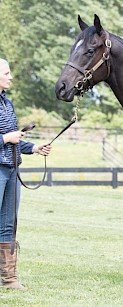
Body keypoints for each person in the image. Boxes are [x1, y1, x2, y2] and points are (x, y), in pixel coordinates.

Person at [0, 58, 52, 290]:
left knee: (8, 224)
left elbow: (13, 141)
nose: (11, 77)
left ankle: (9, 279)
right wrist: (4, 138)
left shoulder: (7, 104)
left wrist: (33, 148)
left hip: (12, 169)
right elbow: (6, 139)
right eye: (7, 73)